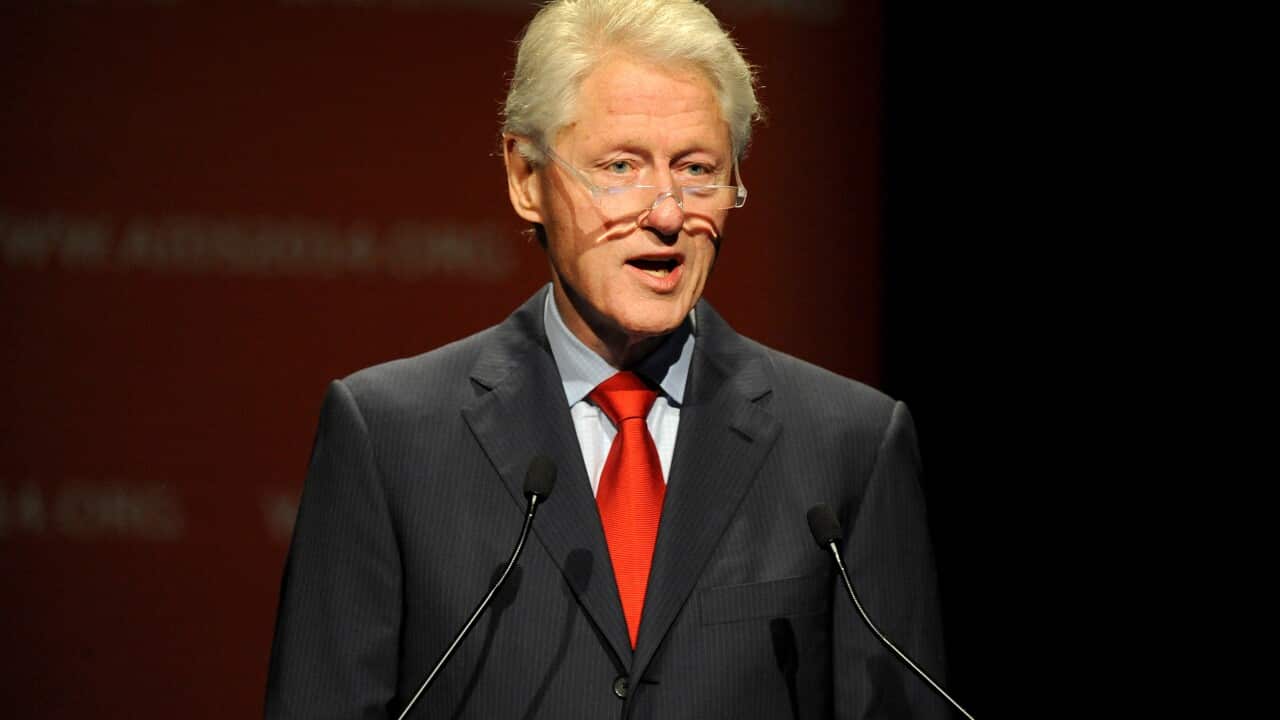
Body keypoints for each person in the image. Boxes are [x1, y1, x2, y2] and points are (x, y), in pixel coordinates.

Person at [265, 1, 949, 718]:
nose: (665, 214)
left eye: (697, 169)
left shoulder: (849, 447)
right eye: (620, 166)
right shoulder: (389, 438)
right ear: (526, 178)